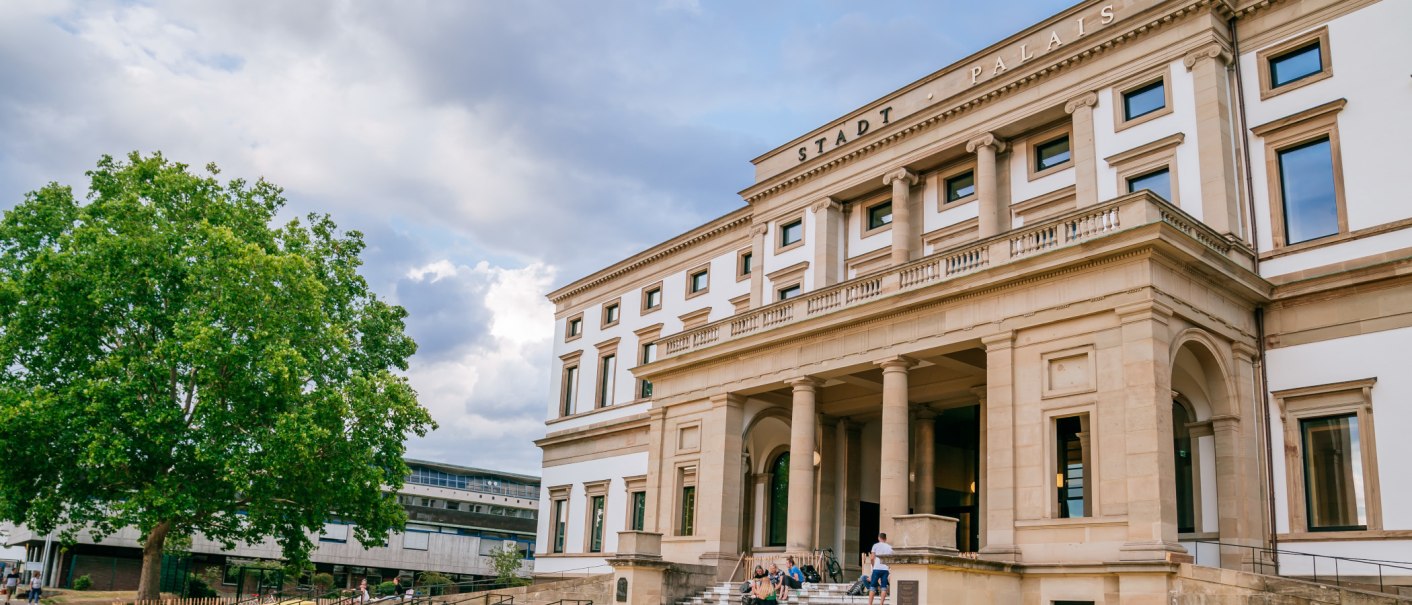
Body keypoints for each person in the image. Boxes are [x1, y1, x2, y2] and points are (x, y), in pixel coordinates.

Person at [868, 533, 893, 605]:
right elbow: (891, 559)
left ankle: (870, 604)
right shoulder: (889, 547)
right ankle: (881, 603)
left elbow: (872, 558)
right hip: (885, 569)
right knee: (884, 587)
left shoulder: (875, 546)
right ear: (885, 539)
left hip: (877, 568)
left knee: (872, 586)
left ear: (879, 538)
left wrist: (873, 566)